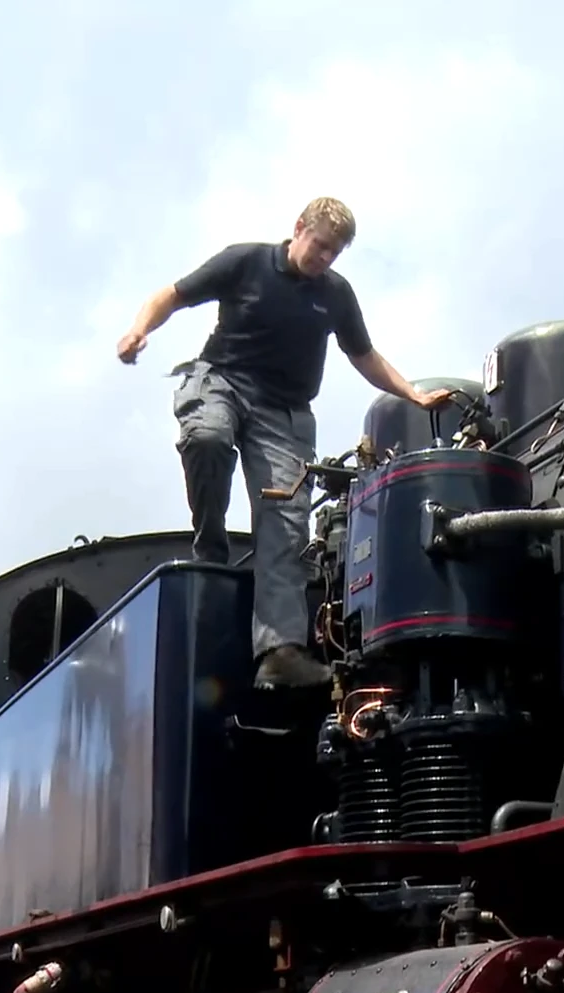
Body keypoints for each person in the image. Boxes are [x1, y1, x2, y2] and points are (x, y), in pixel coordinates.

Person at [116, 196, 451, 689]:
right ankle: (210, 545)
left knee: (285, 525)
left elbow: (365, 355)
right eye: (318, 247)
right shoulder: (245, 261)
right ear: (298, 229)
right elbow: (172, 294)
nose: (323, 259)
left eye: (333, 253)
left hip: (284, 413)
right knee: (207, 436)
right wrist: (138, 330)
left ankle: (279, 651)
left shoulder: (336, 294)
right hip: (222, 381)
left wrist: (413, 394)